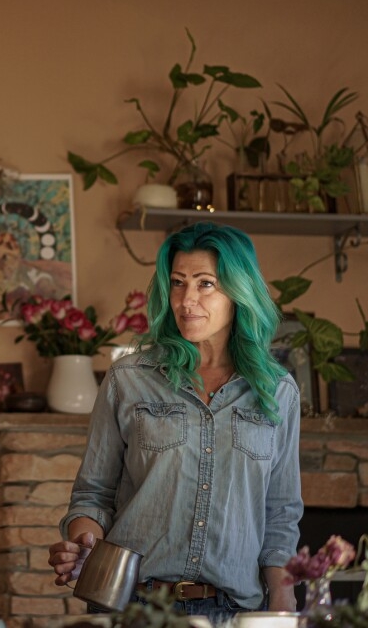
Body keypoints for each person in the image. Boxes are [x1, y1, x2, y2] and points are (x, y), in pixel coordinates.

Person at [48, 221, 303, 624]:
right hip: (135, 608)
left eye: (205, 284)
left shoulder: (278, 392)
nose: (186, 300)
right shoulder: (128, 379)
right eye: (178, 282)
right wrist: (84, 541)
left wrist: (283, 604)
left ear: (239, 292)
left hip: (234, 611)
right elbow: (93, 494)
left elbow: (280, 513)